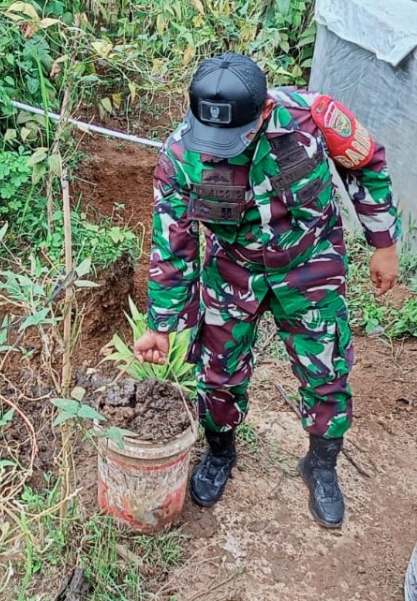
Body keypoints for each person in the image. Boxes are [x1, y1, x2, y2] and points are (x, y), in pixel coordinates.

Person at [135, 52, 400, 528]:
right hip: (232, 268)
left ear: (263, 113)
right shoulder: (181, 155)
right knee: (218, 372)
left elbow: (368, 164)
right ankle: (220, 452)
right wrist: (162, 324)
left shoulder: (315, 118)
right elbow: (173, 243)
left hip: (309, 264)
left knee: (326, 371)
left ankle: (320, 463)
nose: (222, 149)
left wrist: (382, 242)